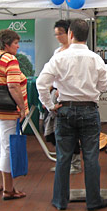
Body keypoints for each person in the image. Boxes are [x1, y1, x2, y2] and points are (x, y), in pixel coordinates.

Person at [37, 19, 107, 211]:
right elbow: (104, 86)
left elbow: (41, 83)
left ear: (70, 34)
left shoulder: (59, 58)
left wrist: (50, 105)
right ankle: (93, 201)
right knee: (91, 157)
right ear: (87, 36)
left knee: (63, 157)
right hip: (89, 110)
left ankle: (60, 201)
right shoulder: (96, 59)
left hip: (65, 110)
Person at [0, 29, 28, 200]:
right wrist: (22, 107)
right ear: (7, 44)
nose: (18, 46)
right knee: (7, 146)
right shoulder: (11, 60)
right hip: (6, 109)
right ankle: (9, 189)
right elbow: (13, 86)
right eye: (16, 43)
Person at [43, 19, 82, 175]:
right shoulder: (57, 52)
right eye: (56, 34)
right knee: (55, 131)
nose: (58, 37)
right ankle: (64, 163)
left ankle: (75, 164)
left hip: (70, 97)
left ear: (69, 33)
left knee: (70, 133)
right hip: (56, 96)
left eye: (61, 33)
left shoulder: (76, 52)